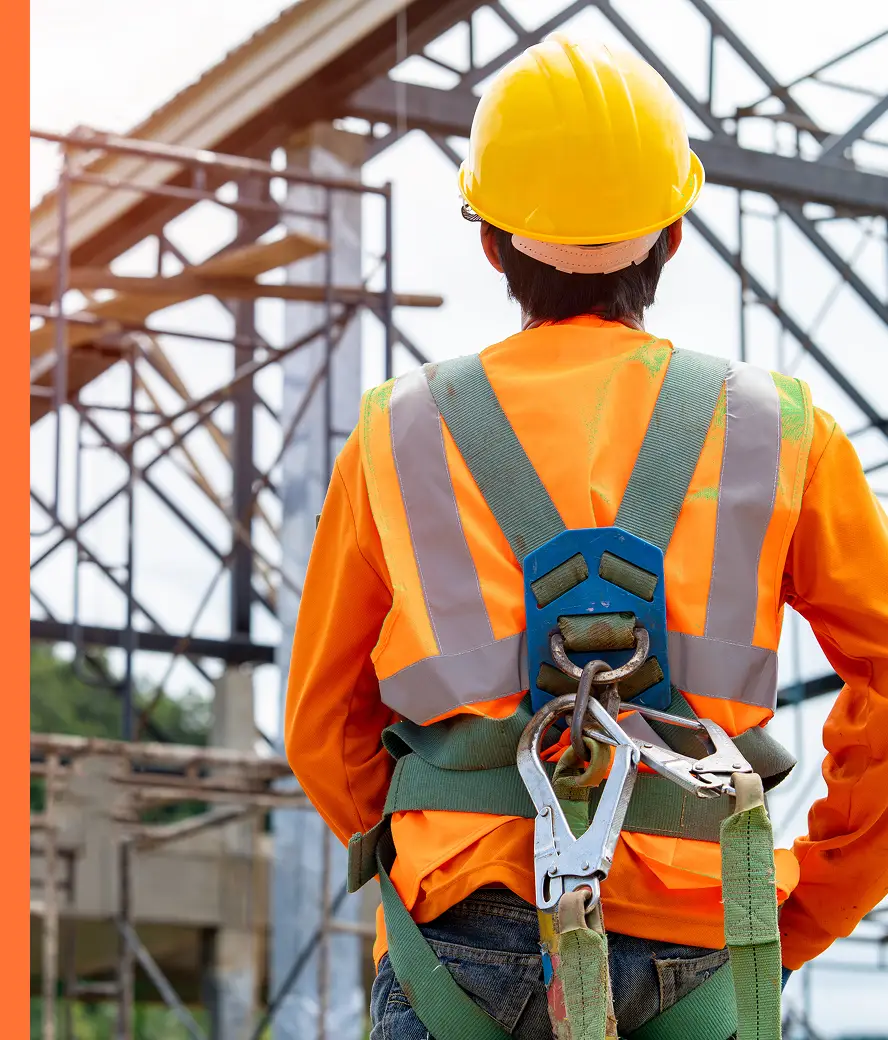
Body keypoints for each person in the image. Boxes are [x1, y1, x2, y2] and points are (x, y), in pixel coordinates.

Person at [285, 32, 888, 1039]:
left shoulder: (400, 433)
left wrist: (434, 837)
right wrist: (810, 895)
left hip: (455, 940)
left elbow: (321, 724)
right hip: (701, 935)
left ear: (490, 239)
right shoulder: (781, 430)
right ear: (674, 233)